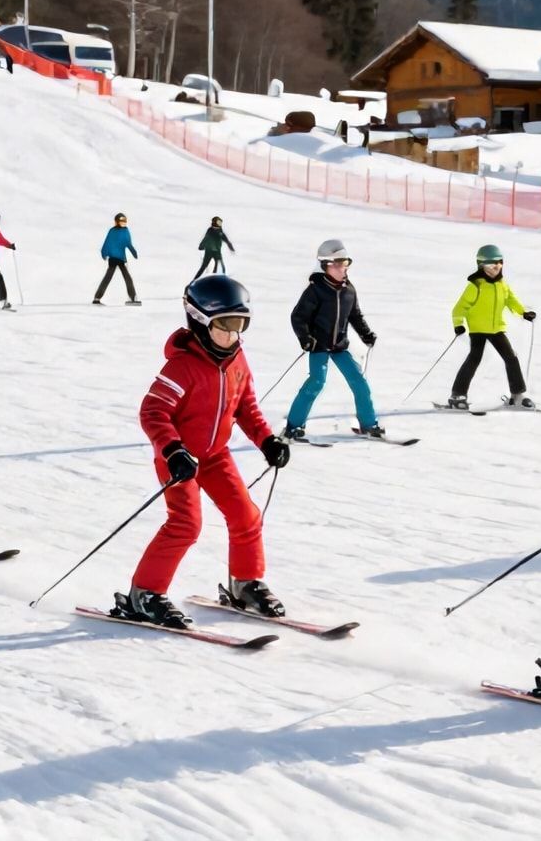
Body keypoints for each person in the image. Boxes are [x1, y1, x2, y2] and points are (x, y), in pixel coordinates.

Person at [113, 275, 289, 628]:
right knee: (185, 524)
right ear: (199, 320)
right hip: (179, 459)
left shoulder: (237, 360)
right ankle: (144, 594)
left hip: (216, 456)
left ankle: (245, 583)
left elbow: (246, 408)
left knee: (246, 515)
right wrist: (173, 450)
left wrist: (268, 440)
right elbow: (153, 412)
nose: (232, 335)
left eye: (240, 326)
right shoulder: (182, 366)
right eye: (225, 325)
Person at [284, 239, 382, 440]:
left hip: (339, 346)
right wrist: (305, 339)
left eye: (344, 263)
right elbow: (298, 317)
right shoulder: (316, 290)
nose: (342, 269)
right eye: (336, 264)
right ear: (324, 266)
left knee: (359, 382)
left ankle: (369, 424)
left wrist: (366, 334)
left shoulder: (349, 289)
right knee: (316, 382)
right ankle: (293, 426)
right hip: (318, 345)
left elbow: (355, 315)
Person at [447, 245, 536, 410]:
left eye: (499, 263)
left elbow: (511, 300)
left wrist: (524, 312)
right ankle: (457, 395)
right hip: (478, 329)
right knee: (474, 359)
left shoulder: (502, 284)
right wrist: (458, 325)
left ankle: (517, 395)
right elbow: (459, 308)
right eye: (491, 264)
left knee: (511, 358)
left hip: (496, 329)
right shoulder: (476, 286)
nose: (496, 267)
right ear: (481, 265)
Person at [95, 212, 142, 305]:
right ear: (116, 222)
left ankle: (133, 298)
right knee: (108, 278)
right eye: (121, 221)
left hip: (121, 259)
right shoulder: (112, 231)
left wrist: (133, 252)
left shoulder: (125, 231)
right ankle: (97, 298)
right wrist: (104, 253)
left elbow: (128, 243)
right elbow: (107, 242)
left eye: (124, 221)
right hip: (113, 259)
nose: (123, 223)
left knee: (127, 278)